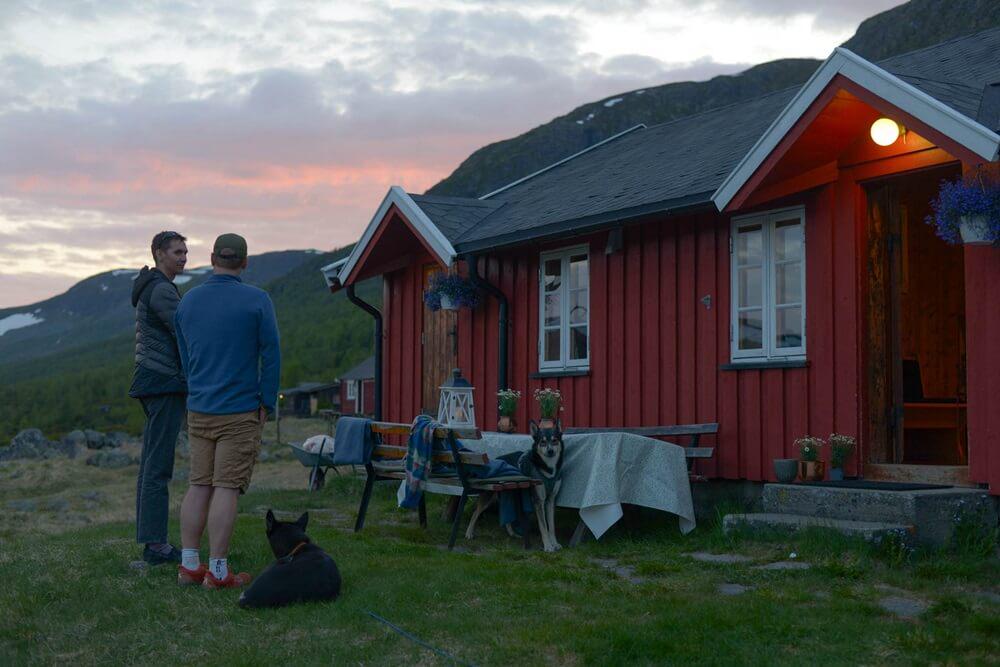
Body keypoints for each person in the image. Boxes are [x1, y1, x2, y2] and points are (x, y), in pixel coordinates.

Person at [174, 233, 280, 589]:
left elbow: (185, 355)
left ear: (212, 258)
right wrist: (266, 400)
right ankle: (218, 573)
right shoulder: (257, 300)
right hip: (239, 411)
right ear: (245, 262)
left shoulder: (188, 302)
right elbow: (272, 354)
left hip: (199, 408)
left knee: (198, 483)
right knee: (226, 487)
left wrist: (197, 390)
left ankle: (189, 565)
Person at [130, 230, 188, 565]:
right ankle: (156, 546)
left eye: (185, 252)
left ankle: (152, 541)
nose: (183, 257)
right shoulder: (162, 290)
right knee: (158, 468)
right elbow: (186, 330)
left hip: (152, 381)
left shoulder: (151, 287)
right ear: (158, 253)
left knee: (150, 465)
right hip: (164, 382)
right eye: (177, 252)